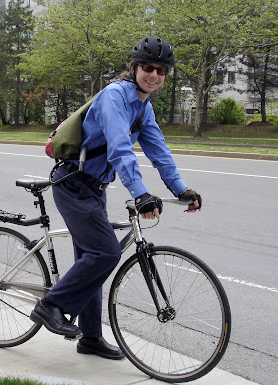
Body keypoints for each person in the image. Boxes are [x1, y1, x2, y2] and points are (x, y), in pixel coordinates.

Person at [30, 36, 202, 360]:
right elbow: (119, 148)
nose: (154, 75)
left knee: (92, 261)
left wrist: (180, 188)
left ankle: (90, 338)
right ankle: (50, 306)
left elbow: (158, 151)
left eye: (161, 71)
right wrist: (140, 194)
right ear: (135, 68)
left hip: (93, 190)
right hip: (72, 184)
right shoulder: (113, 96)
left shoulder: (143, 106)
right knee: (106, 252)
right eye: (148, 68)